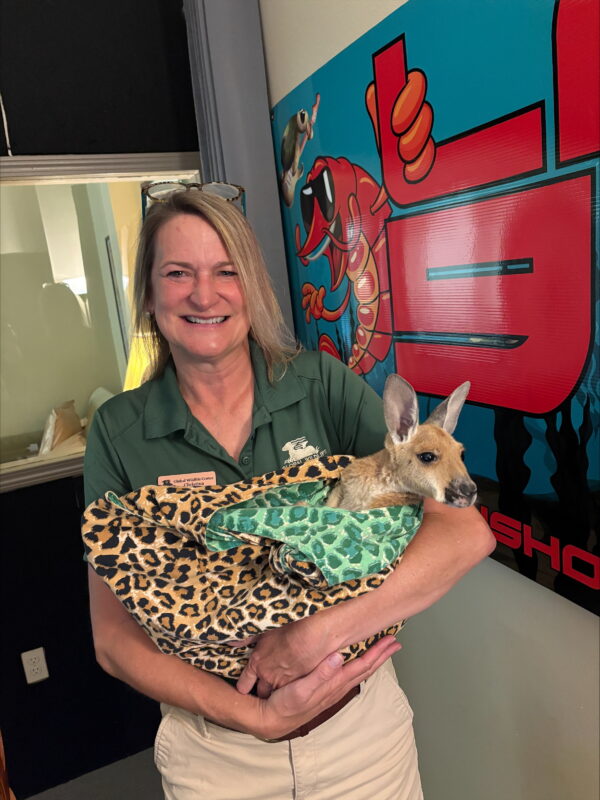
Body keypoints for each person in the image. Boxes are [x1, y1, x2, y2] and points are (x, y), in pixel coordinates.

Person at [84, 187, 495, 800]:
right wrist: (254, 716)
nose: (204, 294)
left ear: (253, 285)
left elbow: (465, 535)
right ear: (147, 293)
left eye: (227, 271)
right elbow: (113, 639)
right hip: (218, 754)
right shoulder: (118, 431)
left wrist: (315, 636)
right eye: (177, 273)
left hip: (359, 737)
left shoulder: (320, 384)